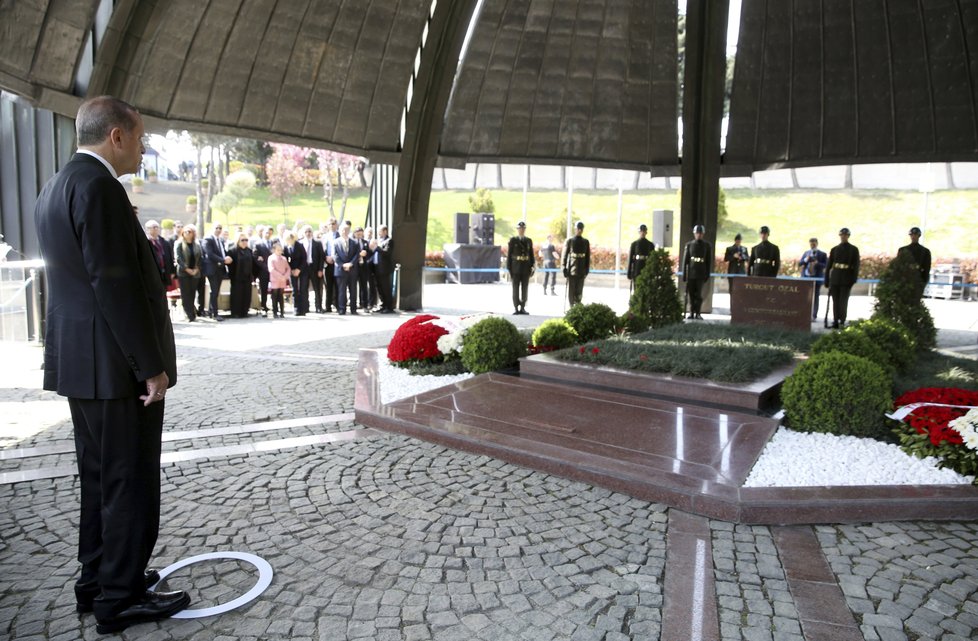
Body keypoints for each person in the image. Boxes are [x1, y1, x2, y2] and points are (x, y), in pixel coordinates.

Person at [32, 95, 190, 634]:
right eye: (141, 137)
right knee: (129, 481)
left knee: (99, 478)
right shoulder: (99, 187)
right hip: (116, 367)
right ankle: (119, 599)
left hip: (82, 364)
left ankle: (96, 579)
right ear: (116, 136)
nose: (144, 149)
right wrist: (150, 366)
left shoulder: (56, 185)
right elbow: (113, 285)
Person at [825, 227, 861, 329]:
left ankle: (842, 320)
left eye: (845, 235)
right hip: (835, 278)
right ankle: (835, 320)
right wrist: (827, 280)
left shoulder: (853, 250)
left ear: (848, 236)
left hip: (846, 278)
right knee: (835, 300)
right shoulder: (834, 249)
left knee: (843, 301)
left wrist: (853, 280)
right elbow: (829, 266)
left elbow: (856, 266)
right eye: (842, 235)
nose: (843, 237)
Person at [682, 224, 714, 320]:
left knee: (699, 294)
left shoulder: (707, 246)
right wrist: (684, 275)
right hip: (691, 273)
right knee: (691, 294)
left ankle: (698, 313)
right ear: (694, 234)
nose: (698, 235)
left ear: (703, 234)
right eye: (697, 233)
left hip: (701, 273)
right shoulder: (689, 245)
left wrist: (707, 274)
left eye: (700, 233)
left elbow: (708, 261)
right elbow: (685, 261)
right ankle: (691, 312)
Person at [202, 223, 231, 319]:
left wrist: (227, 258)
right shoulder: (208, 239)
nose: (218, 230)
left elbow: (222, 253)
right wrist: (223, 260)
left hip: (220, 269)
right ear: (212, 229)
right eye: (217, 228)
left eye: (220, 228)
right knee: (214, 291)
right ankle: (215, 313)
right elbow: (209, 254)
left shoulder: (221, 240)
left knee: (215, 291)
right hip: (212, 270)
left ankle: (211, 311)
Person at [174, 224, 203, 322]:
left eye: (189, 232)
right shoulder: (179, 244)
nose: (187, 233)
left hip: (195, 272)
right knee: (185, 294)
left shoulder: (197, 245)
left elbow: (200, 258)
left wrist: (196, 269)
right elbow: (178, 258)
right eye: (185, 231)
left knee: (192, 293)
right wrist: (187, 269)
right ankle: (190, 315)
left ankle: (192, 312)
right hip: (183, 273)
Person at [227, 233, 258, 318]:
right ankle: (236, 312)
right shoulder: (232, 251)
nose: (245, 242)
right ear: (238, 241)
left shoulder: (249, 250)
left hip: (247, 277)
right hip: (236, 277)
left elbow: (253, 264)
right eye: (242, 240)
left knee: (247, 295)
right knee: (237, 295)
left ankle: (245, 311)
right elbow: (230, 265)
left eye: (246, 240)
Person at [507, 221, 534, 314]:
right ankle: (516, 307)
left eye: (523, 228)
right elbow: (509, 255)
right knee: (515, 288)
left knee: (525, 288)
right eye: (520, 228)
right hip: (515, 267)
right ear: (517, 229)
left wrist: (532, 266)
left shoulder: (528, 241)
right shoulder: (513, 240)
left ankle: (523, 307)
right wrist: (509, 268)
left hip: (526, 267)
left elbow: (531, 255)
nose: (521, 230)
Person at [898, 226, 932, 298]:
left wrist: (922, 283)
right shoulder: (903, 250)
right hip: (905, 280)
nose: (913, 237)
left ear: (919, 236)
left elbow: (926, 269)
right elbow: (898, 267)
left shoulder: (925, 252)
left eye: (915, 235)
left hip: (918, 280)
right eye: (912, 235)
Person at [333, 224, 359, 314]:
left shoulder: (355, 242)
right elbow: (335, 255)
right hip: (340, 270)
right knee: (341, 291)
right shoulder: (335, 242)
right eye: (342, 230)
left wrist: (350, 264)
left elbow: (357, 255)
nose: (344, 232)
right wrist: (343, 265)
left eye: (346, 230)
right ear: (339, 231)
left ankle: (353, 309)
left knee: (353, 290)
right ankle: (342, 309)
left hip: (352, 270)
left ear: (349, 231)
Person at [799, 237, 828, 321]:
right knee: (805, 297)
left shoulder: (822, 254)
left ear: (817, 243)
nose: (812, 245)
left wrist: (817, 263)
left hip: (817, 278)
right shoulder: (806, 253)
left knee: (815, 298)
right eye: (811, 244)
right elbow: (800, 263)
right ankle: (805, 314)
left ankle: (814, 315)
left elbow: (826, 265)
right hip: (806, 278)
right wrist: (806, 259)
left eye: (814, 243)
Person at [563, 221, 590, 306]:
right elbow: (564, 256)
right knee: (571, 290)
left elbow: (587, 257)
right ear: (575, 229)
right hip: (572, 270)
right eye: (578, 229)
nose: (579, 230)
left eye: (581, 229)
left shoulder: (586, 242)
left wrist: (586, 270)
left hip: (581, 270)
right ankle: (571, 307)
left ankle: (578, 306)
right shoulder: (570, 241)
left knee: (579, 290)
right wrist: (564, 268)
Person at [284, 230, 308, 316]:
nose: (290, 239)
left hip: (302, 269)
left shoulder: (300, 246)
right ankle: (296, 308)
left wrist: (298, 269)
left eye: (291, 237)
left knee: (302, 289)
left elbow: (304, 259)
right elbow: (286, 260)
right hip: (292, 270)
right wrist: (291, 270)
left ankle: (303, 309)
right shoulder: (286, 247)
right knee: (294, 290)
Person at [144, 220, 175, 288]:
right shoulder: (145, 243)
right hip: (151, 274)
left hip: (164, 272)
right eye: (154, 227)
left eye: (157, 227)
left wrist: (172, 271)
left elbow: (170, 258)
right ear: (148, 229)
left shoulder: (164, 242)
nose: (157, 229)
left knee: (164, 293)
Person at [372, 225, 395, 313]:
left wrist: (377, 248)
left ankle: (389, 307)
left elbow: (387, 253)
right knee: (380, 288)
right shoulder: (379, 241)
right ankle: (383, 305)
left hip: (384, 269)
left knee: (386, 288)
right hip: (376, 268)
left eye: (380, 231)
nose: (378, 233)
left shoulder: (389, 241)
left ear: (385, 231)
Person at [626, 224, 655, 291]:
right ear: (639, 232)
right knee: (636, 287)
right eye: (641, 231)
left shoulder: (650, 245)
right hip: (637, 267)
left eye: (644, 231)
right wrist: (629, 273)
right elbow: (630, 259)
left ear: (646, 232)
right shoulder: (634, 244)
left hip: (646, 267)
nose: (642, 233)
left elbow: (653, 259)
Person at [253, 225, 273, 316]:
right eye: (266, 232)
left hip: (274, 271)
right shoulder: (258, 244)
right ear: (262, 233)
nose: (268, 234)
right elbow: (256, 257)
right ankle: (263, 306)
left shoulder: (274, 243)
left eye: (269, 233)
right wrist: (266, 267)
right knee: (264, 289)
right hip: (263, 270)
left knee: (275, 289)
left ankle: (275, 306)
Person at [267, 241, 290, 318]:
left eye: (281, 250)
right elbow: (271, 269)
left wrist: (285, 276)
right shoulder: (271, 258)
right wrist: (280, 276)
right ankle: (275, 312)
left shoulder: (284, 258)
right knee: (274, 296)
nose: (280, 251)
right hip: (275, 280)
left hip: (282, 280)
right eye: (278, 250)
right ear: (274, 250)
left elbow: (288, 268)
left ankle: (282, 312)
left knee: (281, 296)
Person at [353, 227, 372, 312]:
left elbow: (369, 254)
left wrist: (366, 254)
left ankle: (364, 305)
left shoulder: (365, 242)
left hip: (363, 267)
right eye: (358, 233)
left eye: (361, 233)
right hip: (354, 267)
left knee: (364, 286)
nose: (359, 235)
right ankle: (354, 305)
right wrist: (359, 254)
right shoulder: (352, 242)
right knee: (353, 287)